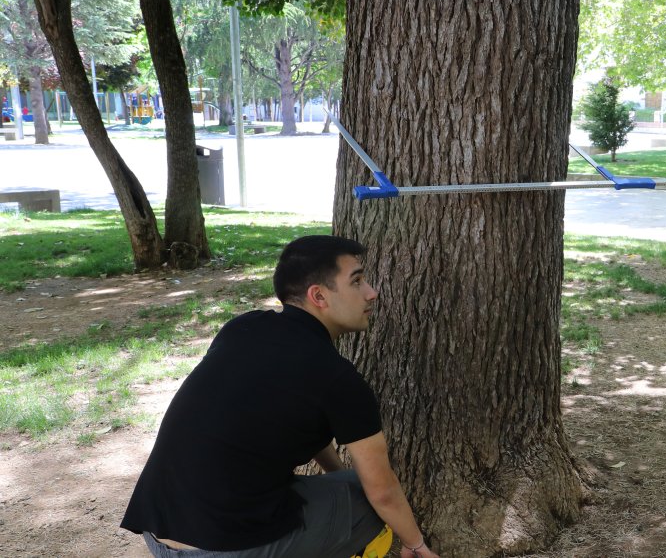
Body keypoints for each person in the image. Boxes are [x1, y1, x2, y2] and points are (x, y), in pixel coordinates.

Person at [120, 235, 439, 558]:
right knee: (366, 502)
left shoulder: (243, 328)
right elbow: (382, 491)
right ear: (319, 296)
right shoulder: (338, 378)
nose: (372, 292)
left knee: (348, 485)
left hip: (158, 530)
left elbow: (292, 414)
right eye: (357, 281)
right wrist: (416, 544)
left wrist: (338, 475)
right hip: (217, 549)